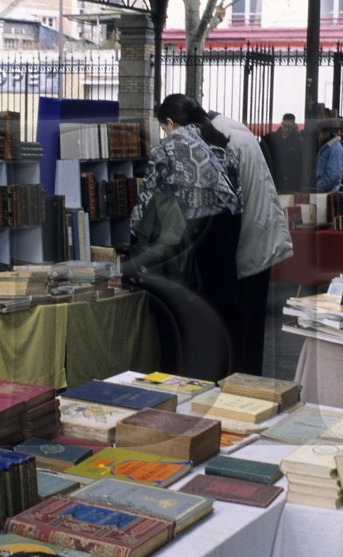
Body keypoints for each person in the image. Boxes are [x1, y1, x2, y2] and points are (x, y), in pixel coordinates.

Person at [128, 93, 244, 338]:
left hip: (185, 237)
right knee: (220, 312)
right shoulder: (221, 143)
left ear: (170, 122)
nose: (164, 132)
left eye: (163, 127)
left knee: (185, 317)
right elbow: (238, 196)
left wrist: (135, 238)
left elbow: (149, 198)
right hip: (222, 235)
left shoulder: (169, 147)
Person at [212, 108, 294, 375]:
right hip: (260, 238)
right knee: (252, 333)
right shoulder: (241, 132)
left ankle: (238, 390)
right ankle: (248, 387)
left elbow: (228, 204)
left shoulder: (222, 139)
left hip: (246, 245)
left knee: (239, 334)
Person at [261, 112, 307, 193]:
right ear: (281, 124)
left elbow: (300, 166)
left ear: (293, 126)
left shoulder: (298, 143)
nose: (286, 129)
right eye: (284, 126)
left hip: (291, 186)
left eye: (289, 127)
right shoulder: (271, 140)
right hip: (275, 183)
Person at [313, 121, 343, 193]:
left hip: (329, 193)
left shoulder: (335, 149)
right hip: (324, 192)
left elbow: (333, 175)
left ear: (325, 134)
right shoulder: (328, 148)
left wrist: (319, 186)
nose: (318, 137)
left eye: (319, 134)